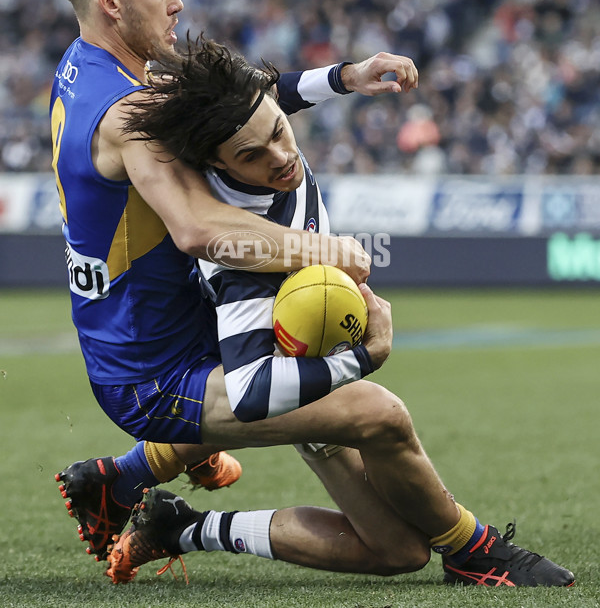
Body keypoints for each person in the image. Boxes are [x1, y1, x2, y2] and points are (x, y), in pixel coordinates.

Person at [62, 37, 573, 588]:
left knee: (397, 550)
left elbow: (269, 94)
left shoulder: (246, 120)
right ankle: (472, 549)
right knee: (381, 416)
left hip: (296, 334)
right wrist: (365, 358)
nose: (280, 158)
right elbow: (253, 393)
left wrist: (347, 77)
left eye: (279, 132)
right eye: (251, 157)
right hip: (272, 354)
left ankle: (173, 519)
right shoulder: (242, 254)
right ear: (216, 162)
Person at [50, 0, 417, 560]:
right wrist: (323, 250)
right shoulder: (128, 110)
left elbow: (240, 106)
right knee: (378, 421)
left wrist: (344, 77)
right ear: (111, 1)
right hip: (155, 372)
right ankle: (178, 523)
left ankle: (124, 478)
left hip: (153, 330)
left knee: (306, 363)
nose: (177, 1)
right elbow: (196, 228)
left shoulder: (92, 67)